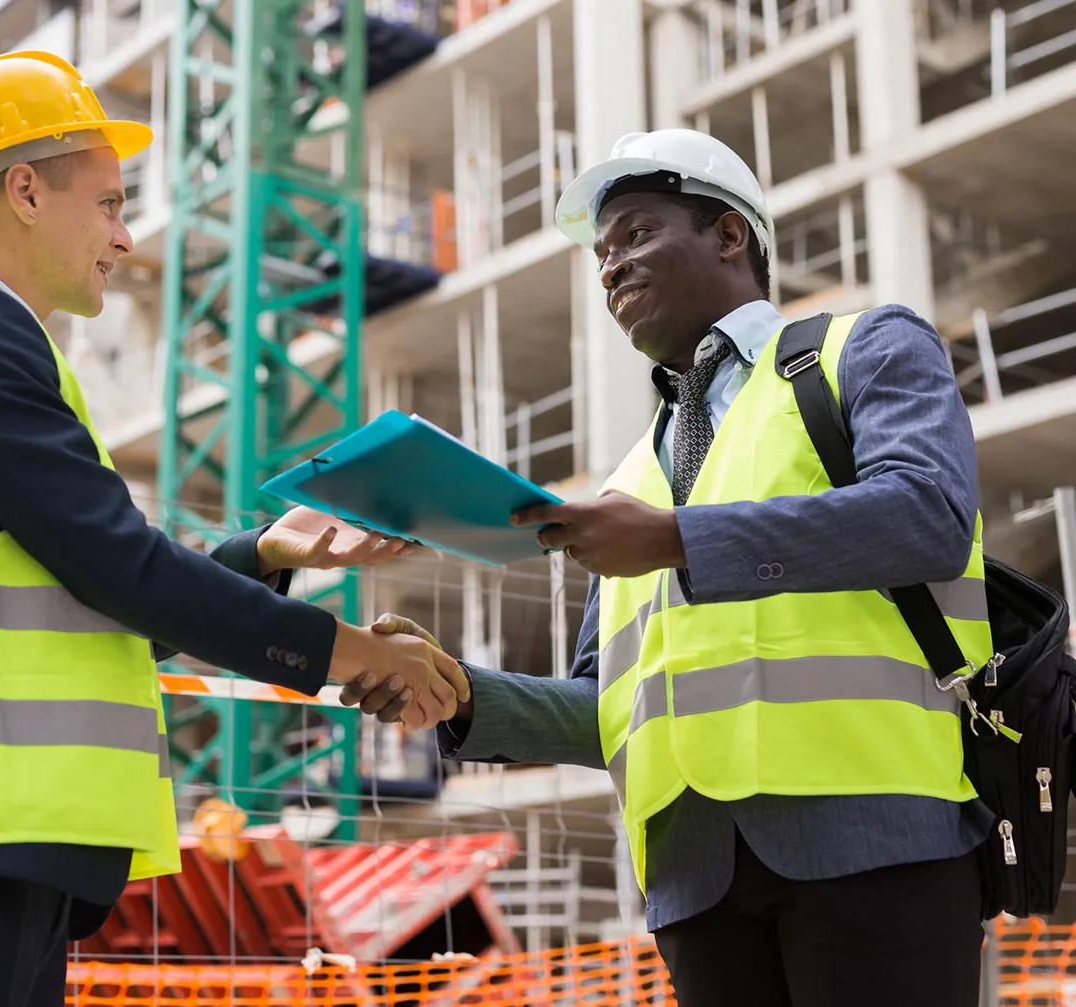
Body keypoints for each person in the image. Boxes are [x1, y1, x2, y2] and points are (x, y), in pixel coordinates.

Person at [342, 128, 995, 1007]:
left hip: (874, 838)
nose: (611, 266)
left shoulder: (867, 349)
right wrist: (459, 689)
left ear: (730, 234)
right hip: (694, 880)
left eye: (638, 234)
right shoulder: (633, 480)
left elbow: (930, 516)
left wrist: (680, 539)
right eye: (602, 254)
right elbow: (607, 703)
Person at [0, 51, 467, 1007]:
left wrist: (268, 550)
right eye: (109, 203)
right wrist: (354, 655)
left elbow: (94, 597)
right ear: (24, 188)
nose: (125, 233)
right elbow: (119, 566)